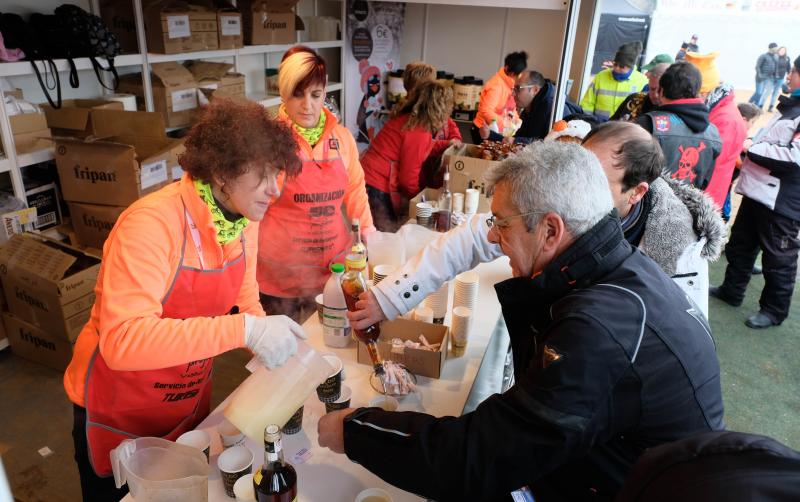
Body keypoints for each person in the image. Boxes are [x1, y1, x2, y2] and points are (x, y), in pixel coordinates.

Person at [318, 141, 724, 501]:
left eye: (502, 223)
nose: (492, 238)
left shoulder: (598, 330)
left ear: (550, 230)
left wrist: (355, 431)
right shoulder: (623, 271)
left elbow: (478, 458)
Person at [62, 100, 308, 502]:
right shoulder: (151, 224)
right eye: (263, 174)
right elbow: (123, 341)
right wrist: (245, 329)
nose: (275, 189)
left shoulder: (243, 222)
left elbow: (244, 301)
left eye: (278, 173)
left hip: (188, 399)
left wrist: (268, 341)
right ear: (221, 170)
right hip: (122, 410)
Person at [257, 45, 375, 323]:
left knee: (326, 345)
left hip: (331, 271)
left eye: (316, 94)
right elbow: (251, 211)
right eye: (298, 94)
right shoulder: (268, 142)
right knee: (280, 357)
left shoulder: (342, 138)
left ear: (325, 93)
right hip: (279, 277)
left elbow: (356, 191)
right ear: (283, 93)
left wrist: (368, 234)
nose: (307, 105)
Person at [710, 55, 800, 329]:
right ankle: (731, 290)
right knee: (741, 245)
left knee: (779, 258)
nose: (788, 76)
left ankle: (773, 311)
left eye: (794, 72)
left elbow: (793, 156)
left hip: (781, 200)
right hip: (758, 192)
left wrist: (751, 147)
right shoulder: (789, 107)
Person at [361, 81, 455, 231]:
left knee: (379, 233)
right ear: (442, 108)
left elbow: (422, 147)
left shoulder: (411, 121)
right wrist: (420, 200)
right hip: (377, 184)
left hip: (369, 177)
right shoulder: (419, 131)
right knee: (386, 234)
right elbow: (407, 180)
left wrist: (446, 143)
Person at [637, 61, 722, 191]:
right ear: (697, 91)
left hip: (647, 206)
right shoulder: (713, 133)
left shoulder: (648, 124)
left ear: (661, 90)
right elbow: (704, 182)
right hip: (686, 208)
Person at [685, 52, 748, 211]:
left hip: (703, 202)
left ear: (703, 92)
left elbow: (711, 168)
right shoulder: (712, 108)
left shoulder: (726, 120)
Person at [581, 41, 648, 121]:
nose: (616, 68)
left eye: (621, 66)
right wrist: (588, 121)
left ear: (631, 66)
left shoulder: (642, 81)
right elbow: (587, 104)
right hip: (597, 126)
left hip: (623, 129)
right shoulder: (600, 76)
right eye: (615, 64)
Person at [472, 51, 528, 143]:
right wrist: (505, 124)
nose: (517, 78)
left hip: (499, 130)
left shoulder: (510, 85)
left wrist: (516, 120)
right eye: (516, 75)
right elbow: (485, 111)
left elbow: (511, 109)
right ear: (507, 68)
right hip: (483, 130)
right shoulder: (496, 85)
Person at [511, 70, 582, 143]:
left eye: (518, 88)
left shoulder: (552, 108)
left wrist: (516, 141)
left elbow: (549, 144)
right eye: (513, 89)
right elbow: (521, 136)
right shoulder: (529, 109)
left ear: (535, 90)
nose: (513, 94)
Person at [762, 46, 792, 112]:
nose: (782, 51)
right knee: (768, 92)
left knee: (775, 93)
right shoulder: (774, 57)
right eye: (781, 50)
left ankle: (771, 107)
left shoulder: (787, 59)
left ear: (785, 52)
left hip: (780, 79)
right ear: (778, 50)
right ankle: (760, 106)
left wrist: (789, 78)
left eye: (784, 50)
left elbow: (788, 69)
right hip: (771, 78)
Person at [749, 43, 779, 107]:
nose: (776, 49)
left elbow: (776, 67)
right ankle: (750, 103)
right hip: (760, 78)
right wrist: (760, 75)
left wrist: (776, 76)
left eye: (776, 48)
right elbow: (757, 67)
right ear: (770, 48)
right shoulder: (763, 56)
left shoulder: (776, 56)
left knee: (762, 93)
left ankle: (755, 105)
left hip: (770, 78)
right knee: (759, 92)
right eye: (775, 48)